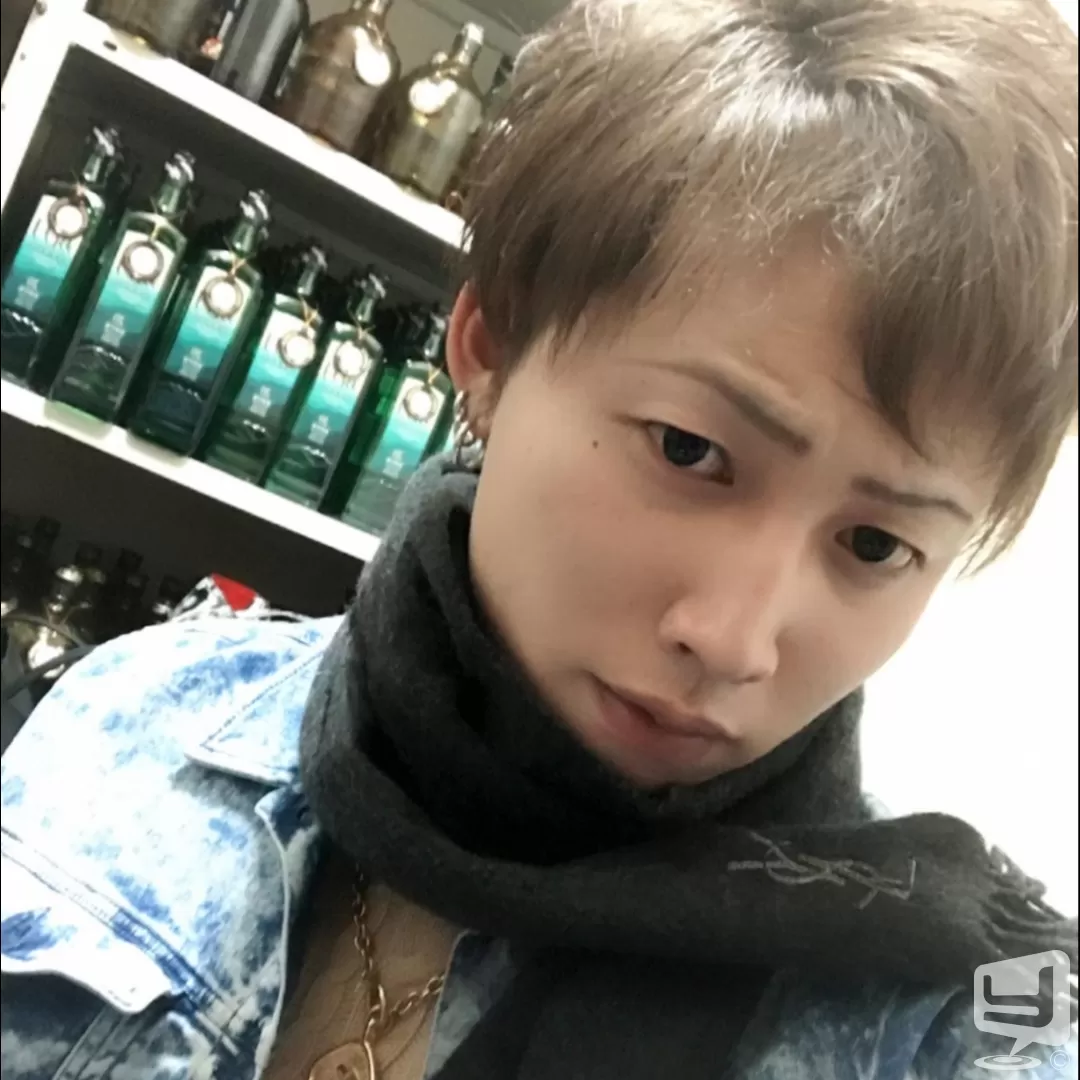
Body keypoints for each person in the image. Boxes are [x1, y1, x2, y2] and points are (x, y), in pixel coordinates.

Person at [2, 0, 1078, 1077]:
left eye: (876, 546)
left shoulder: (966, 1005)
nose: (733, 642)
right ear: (490, 348)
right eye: (690, 450)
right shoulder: (138, 717)